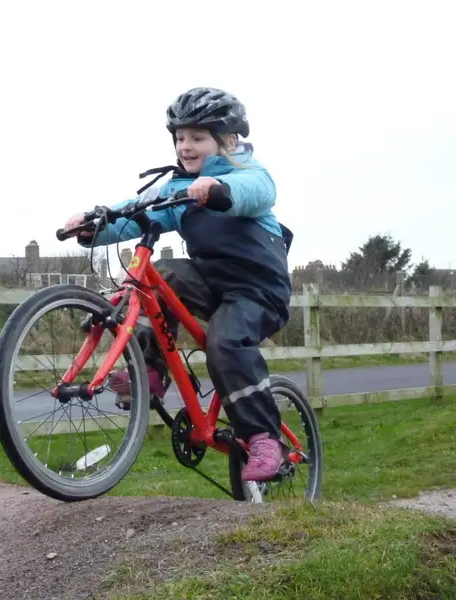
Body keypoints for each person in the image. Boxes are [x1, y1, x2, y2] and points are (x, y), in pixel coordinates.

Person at [63, 87, 293, 482]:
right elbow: (132, 213)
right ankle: (150, 374)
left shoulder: (247, 174)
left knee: (225, 342)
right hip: (210, 284)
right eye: (180, 137)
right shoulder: (175, 188)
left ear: (229, 141)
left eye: (198, 138)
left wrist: (218, 191)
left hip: (258, 290)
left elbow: (256, 192)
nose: (185, 146)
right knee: (161, 276)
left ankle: (263, 438)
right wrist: (93, 224)